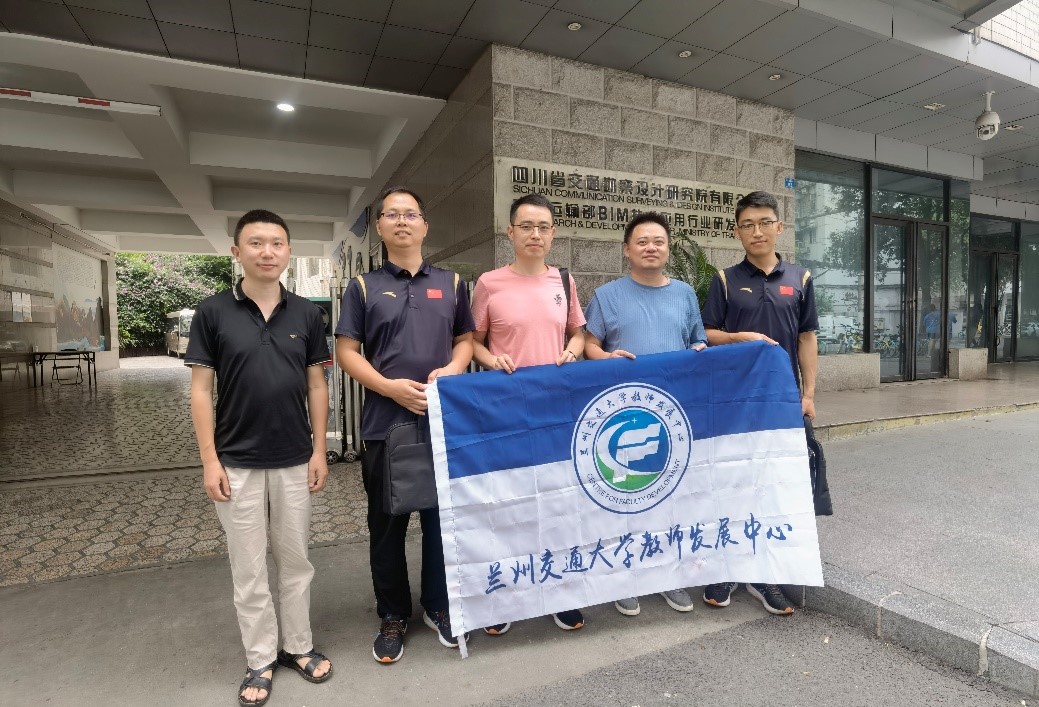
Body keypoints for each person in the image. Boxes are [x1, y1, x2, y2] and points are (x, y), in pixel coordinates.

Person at [186, 209, 332, 707]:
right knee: (248, 568)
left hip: (295, 458)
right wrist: (209, 460)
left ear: (288, 251)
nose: (267, 252)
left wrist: (319, 449)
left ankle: (298, 646)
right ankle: (260, 657)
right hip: (236, 461)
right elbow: (201, 391)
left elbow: (317, 385)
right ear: (237, 251)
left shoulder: (307, 314)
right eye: (256, 243)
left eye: (276, 243)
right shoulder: (213, 312)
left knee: (296, 561)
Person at [335, 187, 475, 663]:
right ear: (379, 227)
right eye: (392, 215)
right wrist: (389, 388)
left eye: (410, 214)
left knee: (440, 521)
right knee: (387, 526)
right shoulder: (362, 286)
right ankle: (393, 614)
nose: (401, 221)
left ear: (424, 225)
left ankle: (438, 605)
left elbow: (465, 339)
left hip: (440, 422)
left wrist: (452, 369)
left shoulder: (451, 283)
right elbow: (346, 352)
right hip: (384, 425)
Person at [470, 192, 587, 636]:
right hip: (507, 411)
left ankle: (559, 592)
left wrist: (572, 350)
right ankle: (504, 595)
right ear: (510, 232)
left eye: (543, 227)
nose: (535, 234)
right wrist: (490, 358)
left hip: (556, 410)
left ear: (552, 233)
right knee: (509, 502)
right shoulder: (489, 283)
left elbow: (578, 332)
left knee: (557, 501)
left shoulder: (564, 281)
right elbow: (473, 341)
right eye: (526, 226)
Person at [700, 190, 818, 617]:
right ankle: (728, 568)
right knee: (733, 480)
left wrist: (808, 395)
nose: (757, 231)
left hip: (781, 400)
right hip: (735, 400)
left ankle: (764, 574)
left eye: (765, 222)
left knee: (772, 484)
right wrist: (736, 337)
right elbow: (705, 333)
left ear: (779, 227)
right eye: (747, 225)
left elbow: (807, 337)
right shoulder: (725, 279)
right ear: (737, 232)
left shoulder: (800, 278)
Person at [583, 211, 707, 617]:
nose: (651, 247)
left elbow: (698, 341)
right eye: (642, 241)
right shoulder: (607, 295)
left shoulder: (685, 294)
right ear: (627, 250)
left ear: (667, 248)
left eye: (658, 241)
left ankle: (669, 576)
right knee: (625, 494)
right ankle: (625, 576)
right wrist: (606, 358)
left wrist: (699, 351)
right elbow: (589, 345)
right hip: (624, 414)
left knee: (670, 495)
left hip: (672, 413)